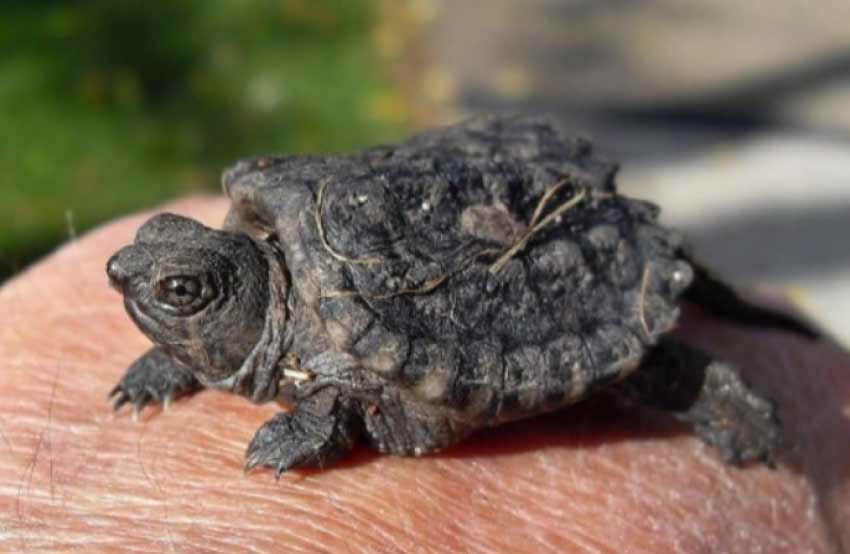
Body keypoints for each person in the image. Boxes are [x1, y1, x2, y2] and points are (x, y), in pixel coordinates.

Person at [1, 196, 847, 553]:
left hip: (542, 291)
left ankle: (720, 388)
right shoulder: (267, 306)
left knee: (628, 368)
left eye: (180, 292)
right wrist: (177, 353)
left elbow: (342, 391)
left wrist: (311, 421)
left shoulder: (326, 346)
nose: (127, 282)